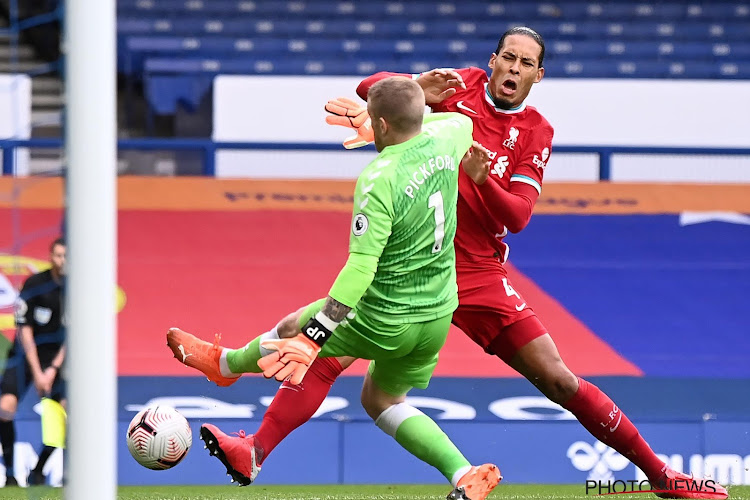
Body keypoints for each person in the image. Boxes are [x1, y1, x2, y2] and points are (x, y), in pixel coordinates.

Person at [178, 27, 727, 500]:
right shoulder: (458, 88)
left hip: (479, 274)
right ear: (491, 61)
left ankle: (661, 475)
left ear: (539, 76)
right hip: (415, 266)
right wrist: (419, 84)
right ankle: (243, 417)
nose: (513, 68)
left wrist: (484, 181)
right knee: (325, 353)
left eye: (526, 63)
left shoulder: (534, 131)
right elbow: (374, 90)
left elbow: (517, 217)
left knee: (557, 379)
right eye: (506, 57)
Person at [168, 77, 502, 500]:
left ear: (378, 124)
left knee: (296, 331)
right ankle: (463, 473)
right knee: (382, 399)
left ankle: (226, 365)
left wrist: (315, 335)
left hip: (385, 315)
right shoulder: (451, 133)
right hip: (437, 314)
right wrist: (409, 99)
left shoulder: (380, 177)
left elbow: (360, 269)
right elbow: (448, 120)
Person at [0, 238, 66, 487]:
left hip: (56, 360)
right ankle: (9, 475)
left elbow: (72, 336)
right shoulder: (35, 284)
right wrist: (38, 372)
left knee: (66, 416)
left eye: (67, 256)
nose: (63, 261)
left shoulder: (78, 290)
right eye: (58, 255)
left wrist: (52, 369)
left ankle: (38, 469)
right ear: (51, 256)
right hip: (25, 355)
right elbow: (24, 330)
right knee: (5, 408)